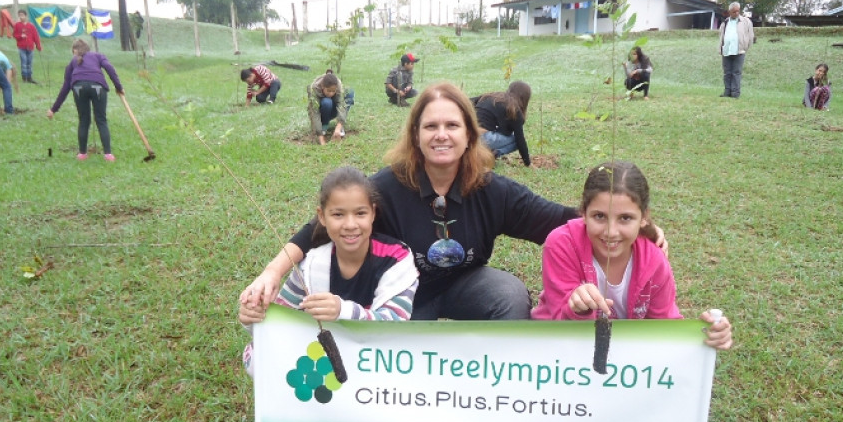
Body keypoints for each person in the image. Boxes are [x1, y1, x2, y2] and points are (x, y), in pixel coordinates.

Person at [239, 82, 669, 321]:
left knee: (509, 293)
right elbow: (315, 231)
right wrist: (272, 273)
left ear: (469, 134)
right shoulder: (387, 186)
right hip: (402, 298)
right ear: (416, 135)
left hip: (467, 286)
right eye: (430, 126)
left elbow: (560, 221)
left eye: (451, 125)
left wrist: (633, 226)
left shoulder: (492, 189)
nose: (441, 134)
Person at [531, 161, 733, 350]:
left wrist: (704, 335)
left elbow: (664, 326)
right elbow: (559, 323)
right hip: (558, 350)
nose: (611, 232)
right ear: (583, 212)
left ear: (644, 218)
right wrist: (577, 309)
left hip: (623, 356)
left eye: (625, 218)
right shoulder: (562, 244)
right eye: (599, 216)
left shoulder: (654, 260)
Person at [238, 166, 419, 374]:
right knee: (258, 358)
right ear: (322, 217)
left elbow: (395, 326)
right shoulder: (314, 263)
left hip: (373, 358)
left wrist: (342, 311)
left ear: (373, 214)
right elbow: (284, 317)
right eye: (338, 214)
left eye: (360, 213)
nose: (350, 224)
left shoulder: (397, 260)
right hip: (326, 354)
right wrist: (253, 317)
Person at [47, 39, 124, 162]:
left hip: (79, 87)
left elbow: (66, 86)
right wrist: (119, 87)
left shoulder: (73, 61)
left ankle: (82, 154)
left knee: (84, 120)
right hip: (98, 87)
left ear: (75, 50)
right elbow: (109, 67)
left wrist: (53, 109)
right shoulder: (98, 55)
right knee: (101, 120)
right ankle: (108, 155)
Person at [471, 81, 532, 166]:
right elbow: (520, 140)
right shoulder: (515, 110)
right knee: (515, 140)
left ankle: (482, 154)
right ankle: (492, 155)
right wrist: (528, 163)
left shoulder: (491, 96)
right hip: (483, 138)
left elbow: (468, 101)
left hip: (468, 134)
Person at [307, 70, 354, 145]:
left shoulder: (338, 85)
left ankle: (340, 127)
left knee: (350, 92)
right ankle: (324, 126)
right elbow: (314, 113)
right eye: (328, 91)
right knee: (327, 101)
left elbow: (342, 105)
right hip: (323, 111)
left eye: (333, 91)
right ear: (322, 86)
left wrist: (338, 126)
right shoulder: (314, 89)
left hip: (333, 109)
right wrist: (321, 138)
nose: (331, 93)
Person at [718, 2, 754, 99]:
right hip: (726, 51)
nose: (736, 13)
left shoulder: (746, 22)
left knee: (736, 72)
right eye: (734, 12)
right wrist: (721, 48)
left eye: (738, 11)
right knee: (727, 73)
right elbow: (721, 36)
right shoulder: (725, 22)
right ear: (730, 12)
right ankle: (727, 91)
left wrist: (745, 47)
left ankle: (735, 93)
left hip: (739, 51)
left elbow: (751, 37)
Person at [13, 9, 42, 84]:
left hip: (30, 47)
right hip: (21, 47)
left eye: (22, 15)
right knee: (24, 62)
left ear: (26, 16)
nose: (21, 17)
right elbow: (15, 35)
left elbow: (36, 36)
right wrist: (20, 36)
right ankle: (24, 78)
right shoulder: (17, 25)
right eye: (19, 16)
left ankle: (29, 77)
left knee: (29, 63)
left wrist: (38, 46)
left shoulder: (31, 26)